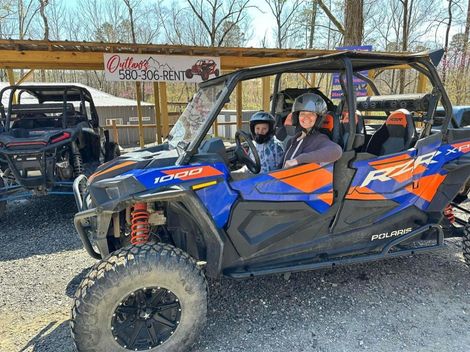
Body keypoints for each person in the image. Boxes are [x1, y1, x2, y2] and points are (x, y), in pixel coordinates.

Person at [283, 93, 342, 168]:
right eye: (302, 114)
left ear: (318, 118)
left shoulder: (319, 139)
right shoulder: (292, 140)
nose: (306, 117)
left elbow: (336, 151)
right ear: (297, 117)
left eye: (311, 114)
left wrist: (298, 160)